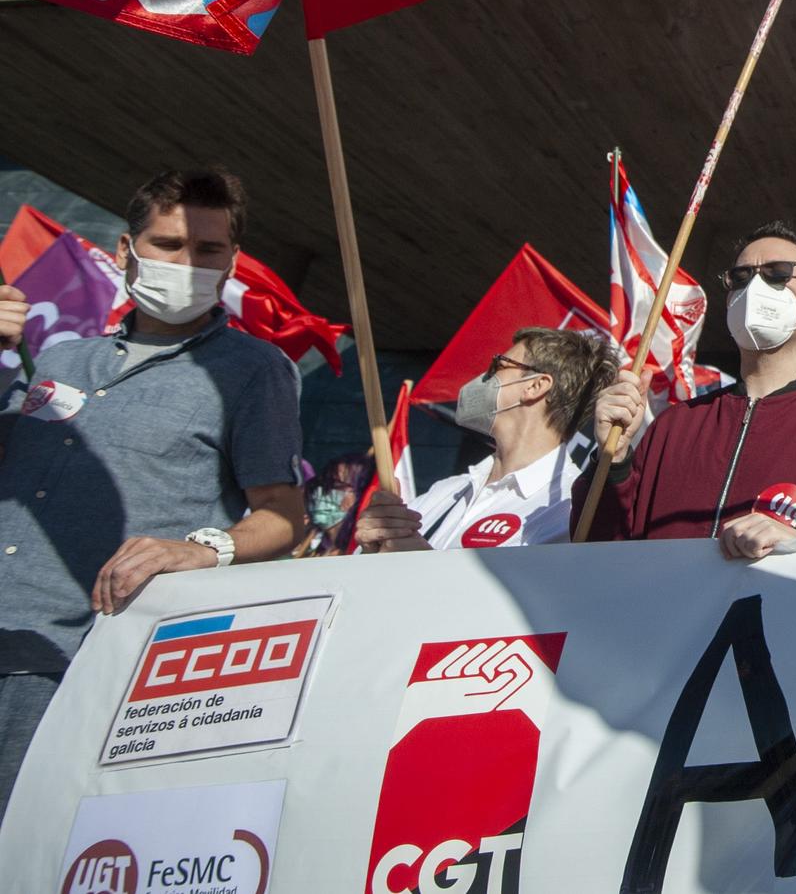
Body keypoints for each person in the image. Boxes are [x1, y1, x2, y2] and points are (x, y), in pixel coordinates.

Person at [0, 169, 305, 818]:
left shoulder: (253, 372)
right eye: (168, 243)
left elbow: (284, 513)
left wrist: (203, 548)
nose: (187, 262)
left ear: (232, 263)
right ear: (124, 251)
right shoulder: (59, 360)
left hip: (69, 667)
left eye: (208, 250)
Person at [577, 221, 796, 558]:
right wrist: (613, 460)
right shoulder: (674, 425)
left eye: (778, 273)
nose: (756, 287)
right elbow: (600, 553)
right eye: (741, 278)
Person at [355, 328, 617, 551]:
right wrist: (372, 545)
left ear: (535, 387)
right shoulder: (447, 491)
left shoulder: (569, 510)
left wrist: (421, 562)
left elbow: (523, 605)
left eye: (498, 366)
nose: (484, 376)